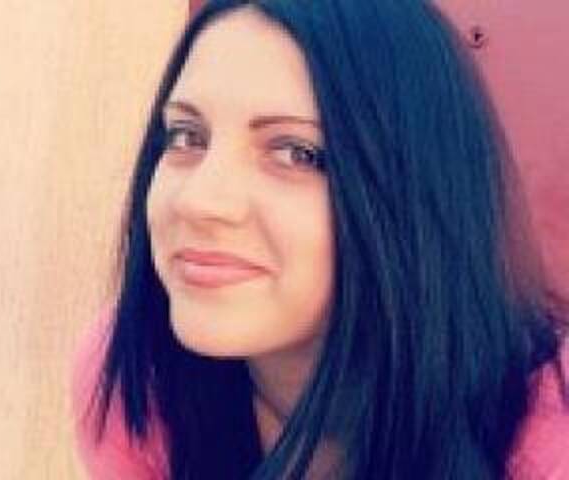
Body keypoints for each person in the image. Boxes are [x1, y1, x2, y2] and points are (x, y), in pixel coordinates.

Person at [71, 0, 569, 478]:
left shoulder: (550, 435)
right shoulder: (137, 379)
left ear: (413, 192)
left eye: (296, 152)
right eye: (186, 136)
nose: (198, 201)